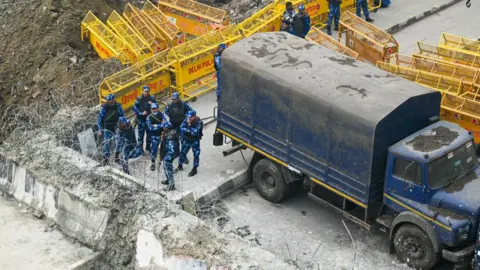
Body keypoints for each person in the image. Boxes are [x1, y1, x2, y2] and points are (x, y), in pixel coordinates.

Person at [164, 92, 192, 163]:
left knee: (183, 141)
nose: (173, 100)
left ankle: (183, 155)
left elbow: (191, 111)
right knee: (174, 140)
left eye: (175, 99)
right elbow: (166, 112)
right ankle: (177, 153)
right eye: (172, 99)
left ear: (178, 98)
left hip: (182, 124)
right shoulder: (169, 105)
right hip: (173, 124)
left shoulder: (183, 104)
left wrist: (187, 117)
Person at [97, 93, 124, 166]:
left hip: (116, 126)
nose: (109, 102)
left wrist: (122, 124)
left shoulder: (118, 106)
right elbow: (99, 119)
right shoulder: (104, 108)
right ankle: (106, 159)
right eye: (108, 101)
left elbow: (122, 116)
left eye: (110, 100)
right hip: (107, 127)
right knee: (106, 143)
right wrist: (100, 129)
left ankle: (116, 157)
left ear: (113, 99)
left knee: (118, 141)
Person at [177, 110, 203, 177]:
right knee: (183, 152)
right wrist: (189, 130)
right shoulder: (187, 119)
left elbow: (195, 133)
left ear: (194, 116)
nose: (189, 119)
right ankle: (180, 165)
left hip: (194, 140)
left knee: (196, 154)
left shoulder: (199, 122)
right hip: (187, 139)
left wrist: (189, 126)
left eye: (191, 117)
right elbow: (181, 128)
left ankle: (195, 169)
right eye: (188, 117)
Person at [133, 85, 156, 153]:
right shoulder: (139, 99)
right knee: (141, 135)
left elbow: (156, 107)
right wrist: (140, 113)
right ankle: (140, 149)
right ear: (142, 91)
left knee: (149, 134)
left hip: (149, 119)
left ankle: (148, 147)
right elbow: (134, 107)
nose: (146, 92)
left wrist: (152, 104)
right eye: (145, 91)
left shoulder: (152, 98)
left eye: (147, 91)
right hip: (141, 119)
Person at [146, 103, 166, 171]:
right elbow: (151, 128)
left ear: (157, 108)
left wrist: (155, 125)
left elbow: (165, 124)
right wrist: (160, 125)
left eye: (155, 108)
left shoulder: (161, 114)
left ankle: (164, 161)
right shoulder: (149, 117)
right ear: (151, 109)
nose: (154, 110)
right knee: (154, 150)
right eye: (152, 109)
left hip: (162, 134)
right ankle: (153, 163)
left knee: (164, 148)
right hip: (154, 136)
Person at [160, 121, 178, 191]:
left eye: (164, 127)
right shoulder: (167, 133)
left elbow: (172, 150)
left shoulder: (170, 137)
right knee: (165, 168)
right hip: (166, 153)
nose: (163, 128)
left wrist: (167, 158)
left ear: (167, 128)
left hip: (169, 155)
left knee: (168, 170)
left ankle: (171, 185)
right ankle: (168, 180)